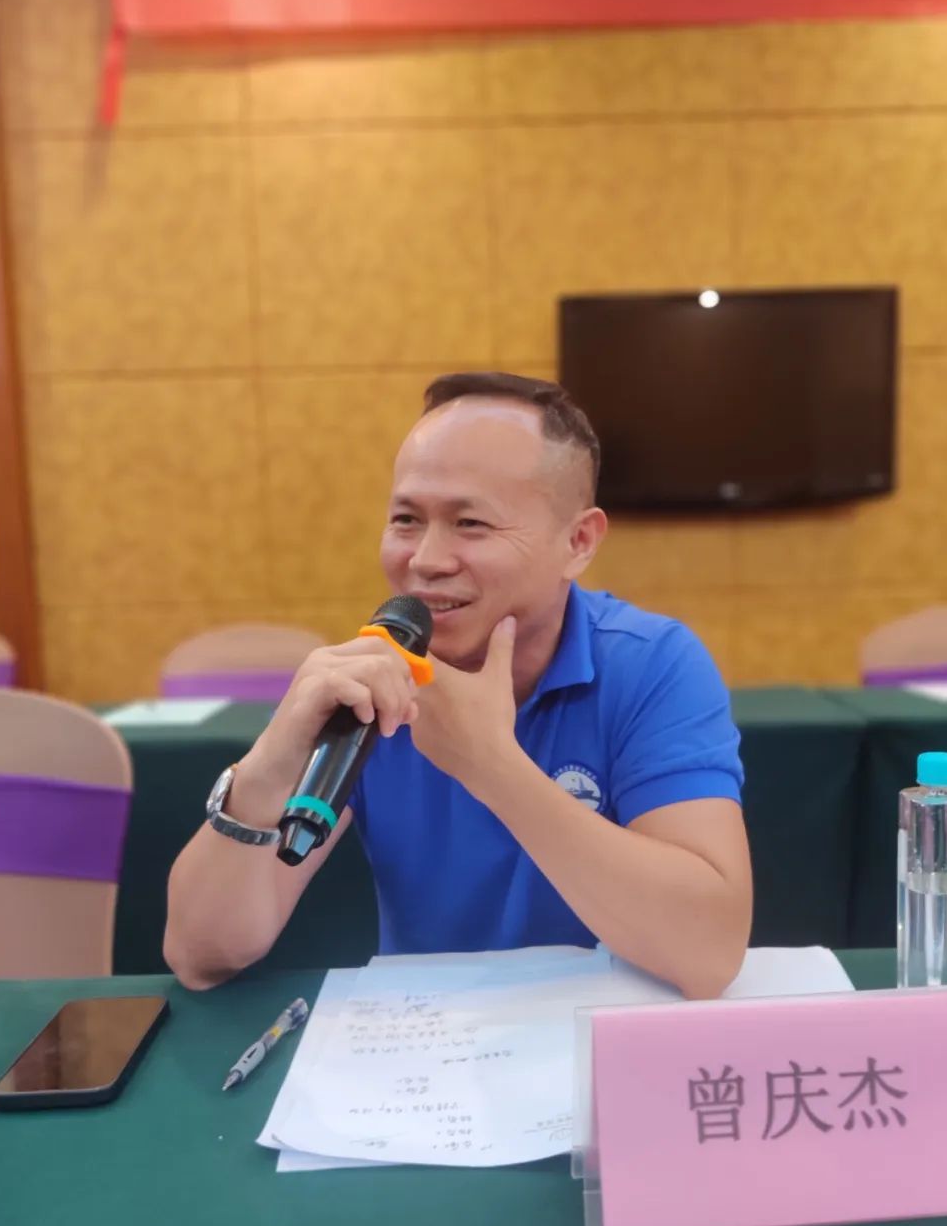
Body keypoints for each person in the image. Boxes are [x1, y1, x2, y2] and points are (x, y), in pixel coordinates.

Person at [164, 373, 752, 997]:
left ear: (578, 542)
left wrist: (491, 765)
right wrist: (267, 766)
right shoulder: (370, 685)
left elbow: (707, 954)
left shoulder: (652, 664)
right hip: (426, 1034)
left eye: (470, 523)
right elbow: (201, 957)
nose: (425, 560)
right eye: (405, 519)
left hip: (602, 1030)